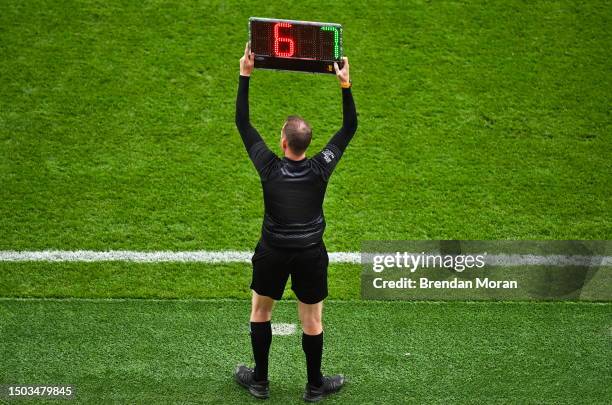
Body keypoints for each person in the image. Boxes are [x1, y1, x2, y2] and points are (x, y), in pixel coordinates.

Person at [233, 42, 357, 402]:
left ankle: (259, 381)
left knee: (260, 312)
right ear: (308, 144)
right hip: (309, 254)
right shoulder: (322, 166)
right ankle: (314, 385)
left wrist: (245, 74)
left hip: (272, 251)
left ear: (283, 141)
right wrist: (344, 84)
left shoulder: (268, 165)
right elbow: (349, 127)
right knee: (312, 320)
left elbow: (242, 122)